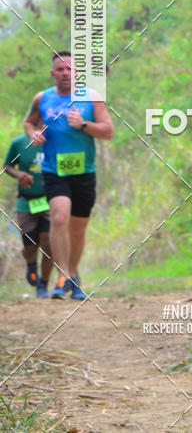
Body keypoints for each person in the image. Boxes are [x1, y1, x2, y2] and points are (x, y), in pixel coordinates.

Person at [23, 50, 114, 300]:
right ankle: (62, 275)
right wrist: (33, 134)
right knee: (59, 217)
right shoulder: (42, 98)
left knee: (78, 228)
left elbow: (108, 131)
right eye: (60, 70)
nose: (65, 73)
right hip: (54, 171)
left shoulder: (92, 99)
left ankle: (73, 275)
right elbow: (29, 122)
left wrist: (83, 125)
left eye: (70, 69)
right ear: (53, 73)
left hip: (84, 172)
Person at [4, 133, 53, 297]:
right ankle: (31, 265)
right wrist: (19, 175)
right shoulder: (19, 142)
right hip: (26, 202)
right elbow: (7, 165)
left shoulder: (56, 138)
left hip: (50, 200)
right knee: (30, 246)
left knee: (48, 242)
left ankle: (43, 285)